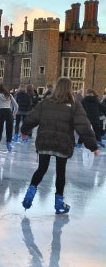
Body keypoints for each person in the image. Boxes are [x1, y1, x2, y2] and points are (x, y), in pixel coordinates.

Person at [20, 77, 99, 214]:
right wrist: (93, 146)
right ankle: (59, 204)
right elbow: (83, 127)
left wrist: (24, 131)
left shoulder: (45, 103)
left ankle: (30, 193)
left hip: (45, 140)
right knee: (60, 172)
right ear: (70, 88)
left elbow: (31, 118)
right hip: (63, 143)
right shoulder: (75, 105)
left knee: (41, 168)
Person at [0, 84, 18, 152]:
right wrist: (14, 113)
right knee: (9, 128)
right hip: (8, 111)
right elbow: (16, 106)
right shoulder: (9, 95)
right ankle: (8, 143)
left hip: (1, 111)